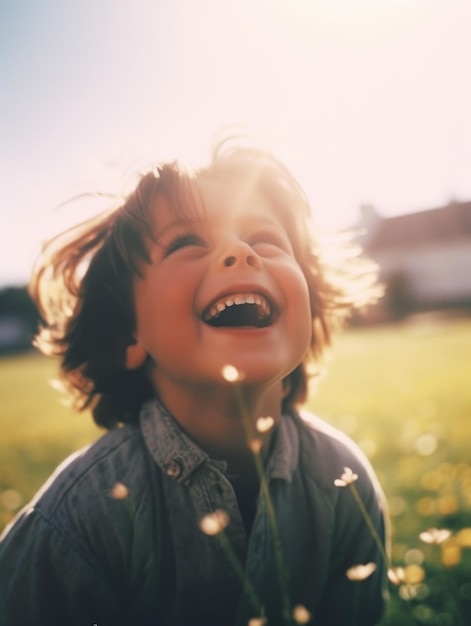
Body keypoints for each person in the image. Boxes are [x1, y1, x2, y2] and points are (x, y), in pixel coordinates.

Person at [0, 138, 388, 626]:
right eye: (186, 243)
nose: (238, 251)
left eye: (265, 239)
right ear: (128, 331)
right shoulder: (81, 516)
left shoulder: (342, 480)